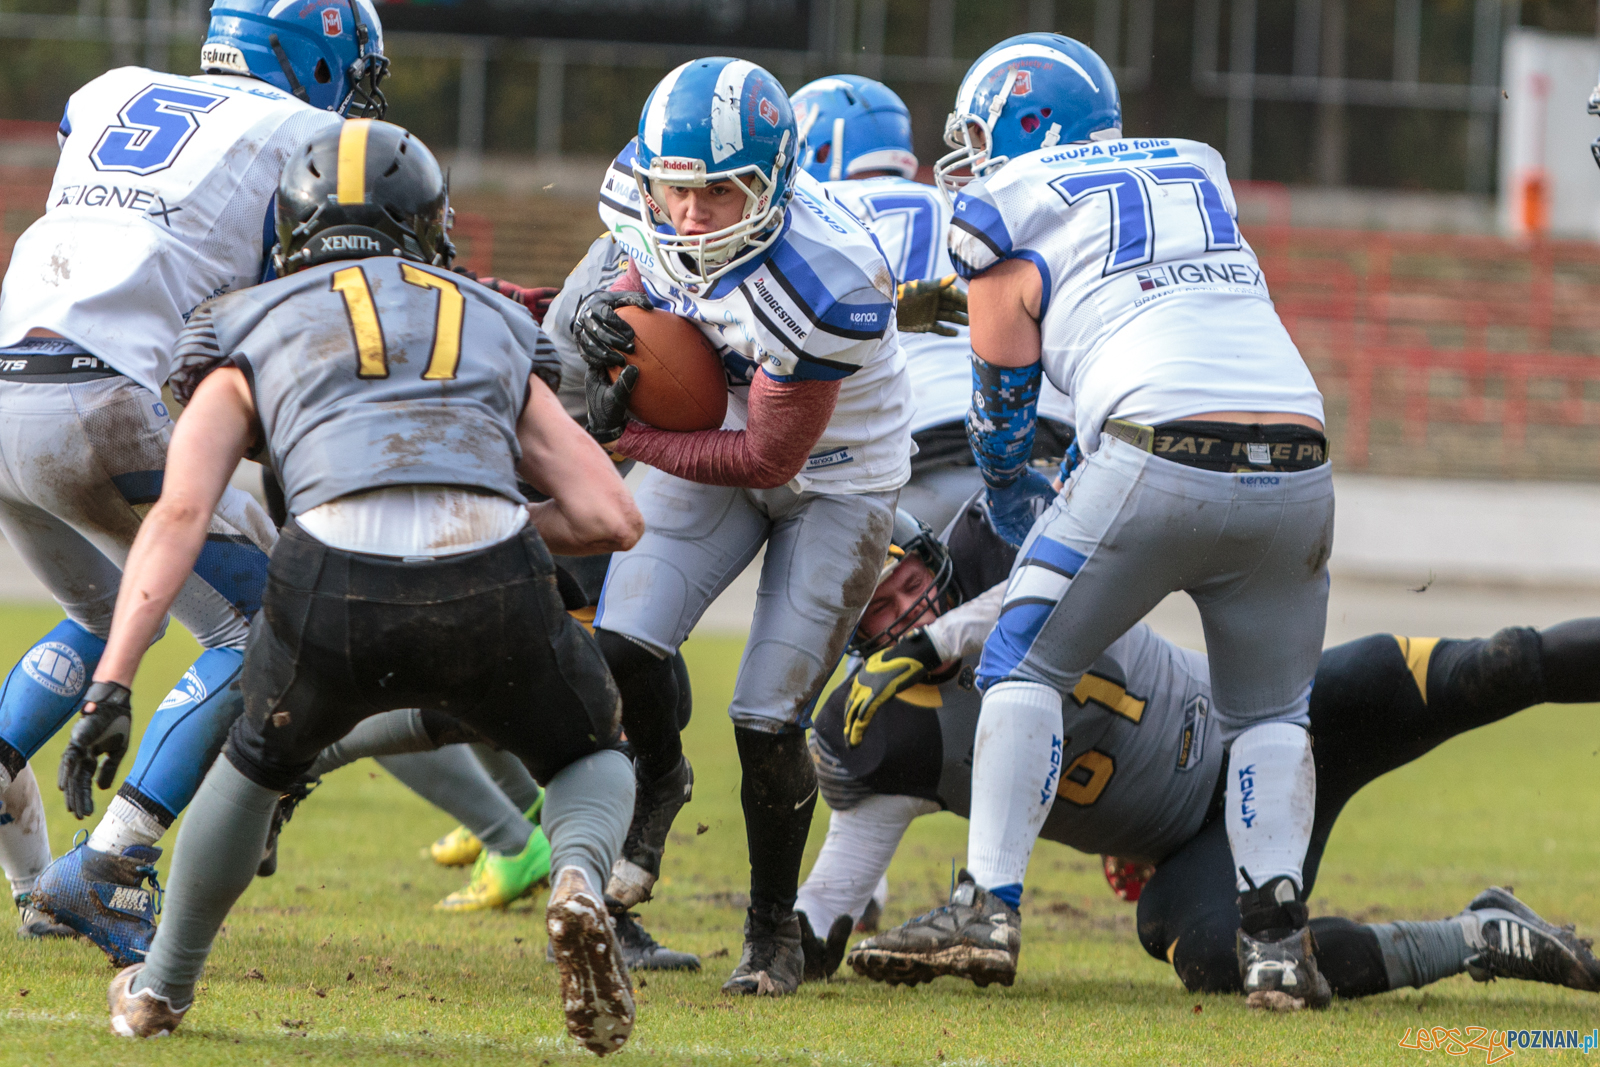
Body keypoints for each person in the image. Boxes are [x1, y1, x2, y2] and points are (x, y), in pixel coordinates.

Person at [85, 120, 641, 1057]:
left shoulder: (241, 322)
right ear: (429, 225)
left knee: (255, 769)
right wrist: (479, 516)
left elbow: (180, 515)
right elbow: (611, 516)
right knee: (596, 754)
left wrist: (113, 679)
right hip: (493, 571)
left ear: (292, 231)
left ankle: (159, 990)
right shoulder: (494, 320)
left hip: (329, 577)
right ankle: (580, 879)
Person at [874, 32, 1336, 1007]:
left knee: (1020, 659)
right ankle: (1275, 943)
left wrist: (1009, 493)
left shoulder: (1004, 202)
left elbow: (1000, 398)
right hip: (1298, 447)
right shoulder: (1194, 169)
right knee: (1270, 711)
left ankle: (984, 906)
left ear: (1019, 124)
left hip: (1154, 444)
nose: (966, 160)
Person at [802, 489, 1600, 1005]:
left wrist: (934, 639)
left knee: (1494, 666)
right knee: (1229, 960)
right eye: (884, 613)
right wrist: (786, 940)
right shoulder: (893, 731)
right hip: (1196, 845)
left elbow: (1035, 589)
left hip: (1285, 716)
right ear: (853, 640)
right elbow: (832, 896)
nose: (910, 609)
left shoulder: (1004, 551)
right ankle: (1482, 934)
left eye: (912, 583)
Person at [0, 0, 387, 960]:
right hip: (106, 396)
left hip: (8, 374)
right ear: (314, 58)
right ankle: (112, 865)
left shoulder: (114, 92)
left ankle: (28, 842)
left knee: (103, 611)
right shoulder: (304, 133)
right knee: (263, 624)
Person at [575, 57, 910, 995]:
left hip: (835, 478)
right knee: (624, 645)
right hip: (723, 430)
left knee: (766, 716)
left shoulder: (824, 277)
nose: (688, 214)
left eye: (719, 192)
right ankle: (658, 782)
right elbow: (621, 286)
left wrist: (630, 432)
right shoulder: (642, 202)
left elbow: (768, 461)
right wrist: (611, 317)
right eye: (675, 188)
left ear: (772, 182)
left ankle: (772, 931)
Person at [792, 73, 1075, 534]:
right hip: (1042, 439)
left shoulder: (808, 210)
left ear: (812, 150)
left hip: (913, 451)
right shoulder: (981, 206)